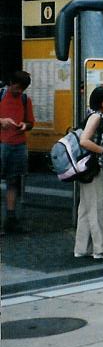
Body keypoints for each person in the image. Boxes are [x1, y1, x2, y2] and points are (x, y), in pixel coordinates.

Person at [75, 86, 103, 260]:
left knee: (85, 209)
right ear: (101, 101)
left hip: (85, 169)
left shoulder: (91, 116)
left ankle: (81, 248)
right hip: (94, 168)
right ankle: (101, 250)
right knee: (99, 208)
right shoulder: (97, 117)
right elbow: (84, 141)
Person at [1, 71, 35, 234]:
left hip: (18, 144)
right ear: (10, 83)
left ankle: (10, 219)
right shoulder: (1, 95)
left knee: (13, 181)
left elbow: (30, 122)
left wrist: (24, 125)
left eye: (23, 88)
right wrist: (1, 121)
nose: (19, 91)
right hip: (2, 144)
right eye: (17, 87)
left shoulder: (24, 99)